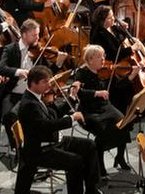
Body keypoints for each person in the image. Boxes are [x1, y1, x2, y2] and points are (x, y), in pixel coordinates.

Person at [15, 66, 102, 194]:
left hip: (53, 140)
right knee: (76, 162)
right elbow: (47, 125)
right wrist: (72, 118)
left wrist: (71, 99)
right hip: (41, 149)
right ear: (33, 83)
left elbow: (54, 114)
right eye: (45, 82)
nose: (49, 85)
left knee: (90, 145)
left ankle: (91, 189)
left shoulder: (37, 96)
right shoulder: (29, 104)